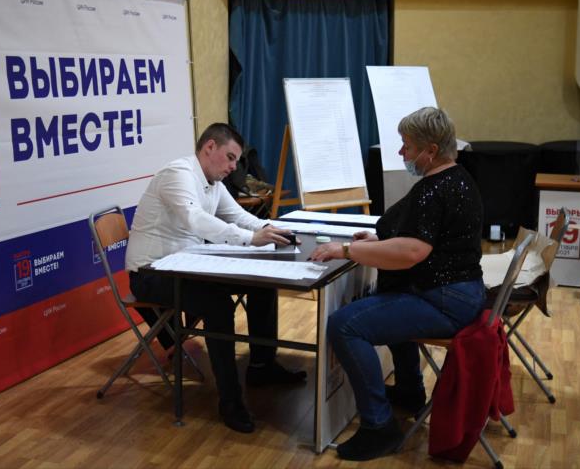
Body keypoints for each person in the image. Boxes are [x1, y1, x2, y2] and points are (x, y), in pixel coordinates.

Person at [309, 107, 485, 461]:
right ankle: (408, 391)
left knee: (344, 326)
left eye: (407, 146)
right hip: (459, 292)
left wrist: (347, 249)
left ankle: (379, 425)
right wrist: (375, 243)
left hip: (445, 299)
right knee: (389, 294)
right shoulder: (457, 178)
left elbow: (413, 251)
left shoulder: (435, 190)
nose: (401, 153)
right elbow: (422, 239)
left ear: (431, 150)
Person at [126, 122, 306, 434]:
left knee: (261, 284)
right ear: (210, 147)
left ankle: (262, 366)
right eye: (231, 158)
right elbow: (195, 220)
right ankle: (230, 402)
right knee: (217, 305)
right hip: (151, 273)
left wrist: (271, 229)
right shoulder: (177, 175)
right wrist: (251, 239)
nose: (234, 167)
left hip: (187, 265)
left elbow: (237, 216)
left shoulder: (212, 181)